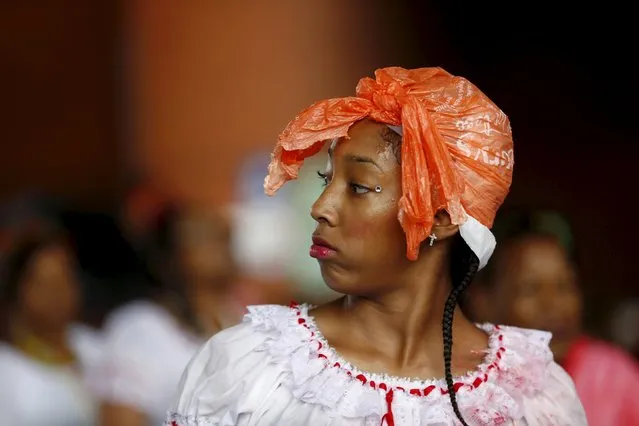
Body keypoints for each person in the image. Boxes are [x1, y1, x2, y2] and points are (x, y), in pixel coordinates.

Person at [166, 67, 586, 425]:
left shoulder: (532, 395)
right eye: (326, 180)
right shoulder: (254, 368)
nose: (320, 207)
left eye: (360, 187)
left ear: (440, 218)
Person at [466, 208, 639, 425]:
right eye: (530, 289)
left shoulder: (615, 378)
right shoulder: (464, 388)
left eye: (564, 286)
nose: (553, 306)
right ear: (481, 300)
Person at [97, 204, 242, 426]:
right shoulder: (139, 327)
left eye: (222, 236)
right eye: (200, 236)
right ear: (170, 257)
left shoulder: (243, 325)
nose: (218, 243)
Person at [0, 227, 103, 426]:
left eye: (65, 279)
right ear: (17, 291)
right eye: (45, 284)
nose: (58, 294)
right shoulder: (5, 370)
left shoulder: (96, 347)